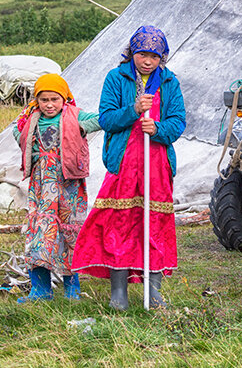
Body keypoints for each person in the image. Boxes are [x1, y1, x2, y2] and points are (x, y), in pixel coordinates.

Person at [71, 26, 186, 310]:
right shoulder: (116, 78)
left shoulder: (169, 83)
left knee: (154, 224)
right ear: (132, 52)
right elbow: (107, 119)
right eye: (143, 54)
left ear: (162, 58)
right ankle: (118, 293)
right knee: (119, 223)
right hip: (124, 164)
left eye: (155, 56)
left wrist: (157, 128)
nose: (148, 61)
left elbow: (178, 121)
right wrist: (133, 111)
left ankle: (154, 293)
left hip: (156, 164)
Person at [13, 73, 101, 302]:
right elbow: (18, 133)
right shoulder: (30, 120)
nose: (49, 105)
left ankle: (72, 288)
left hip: (69, 184)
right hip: (42, 185)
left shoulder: (76, 116)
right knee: (40, 231)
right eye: (44, 100)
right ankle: (41, 289)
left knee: (70, 231)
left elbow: (102, 120)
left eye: (55, 99)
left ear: (64, 98)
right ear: (37, 101)